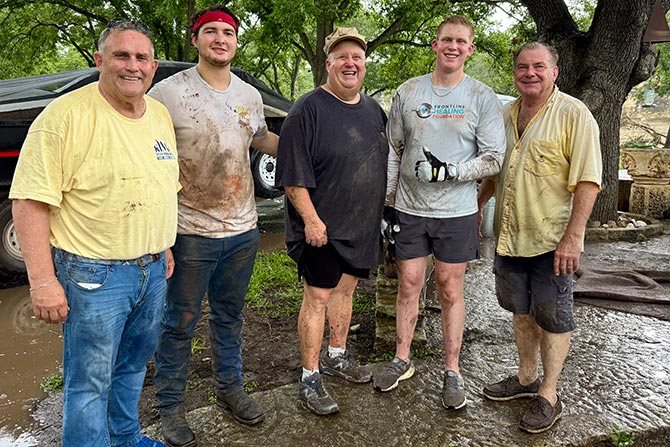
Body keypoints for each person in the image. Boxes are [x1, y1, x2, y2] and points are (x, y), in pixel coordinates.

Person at [9, 19, 179, 447]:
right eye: (121, 55)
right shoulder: (63, 117)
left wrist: (164, 246)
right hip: (93, 275)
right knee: (89, 383)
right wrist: (43, 281)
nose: (132, 66)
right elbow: (29, 202)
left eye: (141, 58)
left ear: (154, 66)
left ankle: (125, 438)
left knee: (134, 366)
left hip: (153, 270)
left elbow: (162, 185)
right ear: (100, 60)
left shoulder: (158, 115)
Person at [148, 5, 279, 446]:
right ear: (196, 40)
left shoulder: (249, 95)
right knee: (179, 321)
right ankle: (170, 407)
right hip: (189, 232)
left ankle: (229, 389)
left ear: (236, 41)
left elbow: (259, 138)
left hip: (242, 230)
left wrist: (311, 147)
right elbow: (151, 159)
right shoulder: (166, 94)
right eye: (211, 32)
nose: (220, 39)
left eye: (228, 32)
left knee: (230, 316)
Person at [373, 15, 505, 410]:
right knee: (409, 283)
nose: (453, 46)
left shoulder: (482, 97)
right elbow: (395, 151)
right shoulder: (409, 92)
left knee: (449, 288)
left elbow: (494, 159)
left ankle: (452, 370)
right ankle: (402, 359)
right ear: (435, 45)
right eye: (446, 39)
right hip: (411, 210)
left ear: (470, 48)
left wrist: (451, 172)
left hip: (457, 211)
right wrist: (388, 204)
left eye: (461, 41)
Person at [477, 42, 602, 433]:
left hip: (552, 241)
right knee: (521, 311)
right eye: (522, 67)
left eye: (538, 67)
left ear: (554, 72)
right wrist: (478, 206)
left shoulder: (573, 114)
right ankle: (526, 378)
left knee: (553, 317)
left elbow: (588, 181)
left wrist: (573, 238)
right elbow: (496, 171)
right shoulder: (504, 114)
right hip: (510, 237)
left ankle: (548, 395)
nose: (529, 73)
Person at [275, 27, 388, 416]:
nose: (350, 63)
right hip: (320, 228)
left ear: (364, 65)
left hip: (360, 226)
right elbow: (292, 174)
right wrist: (311, 219)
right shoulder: (306, 110)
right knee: (318, 297)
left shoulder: (374, 111)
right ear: (328, 64)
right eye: (342, 57)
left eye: (357, 57)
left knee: (346, 292)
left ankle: (337, 355)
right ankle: (310, 375)